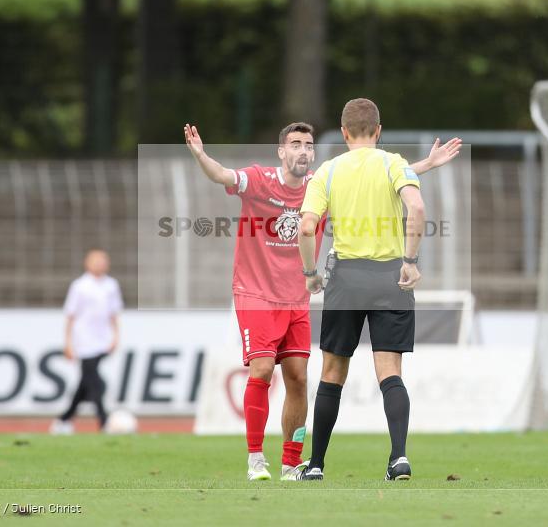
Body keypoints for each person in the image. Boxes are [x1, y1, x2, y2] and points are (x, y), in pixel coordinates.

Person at [184, 122, 459, 481]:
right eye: (295, 144)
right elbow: (222, 175)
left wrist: (425, 164)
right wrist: (202, 155)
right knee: (264, 369)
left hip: (296, 296)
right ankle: (255, 460)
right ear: (281, 151)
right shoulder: (259, 180)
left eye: (308, 145)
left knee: (299, 377)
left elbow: (376, 180)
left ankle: (290, 462)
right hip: (255, 293)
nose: (303, 150)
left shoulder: (319, 183)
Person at [298, 98, 429, 481]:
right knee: (390, 372)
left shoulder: (329, 171)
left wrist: (310, 272)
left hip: (346, 278)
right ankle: (399, 458)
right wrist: (410, 260)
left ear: (343, 133)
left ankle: (317, 463)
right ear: (378, 130)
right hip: (391, 276)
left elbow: (307, 228)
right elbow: (416, 208)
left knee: (332, 372)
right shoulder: (394, 163)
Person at [50, 249, 123, 435]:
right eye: (96, 261)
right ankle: (103, 420)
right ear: (87, 263)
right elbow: (70, 316)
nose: (100, 264)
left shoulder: (111, 285)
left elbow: (113, 314)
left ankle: (64, 419)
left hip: (103, 339)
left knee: (87, 381)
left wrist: (116, 336)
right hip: (84, 340)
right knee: (95, 381)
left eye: (103, 261)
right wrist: (68, 342)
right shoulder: (80, 286)